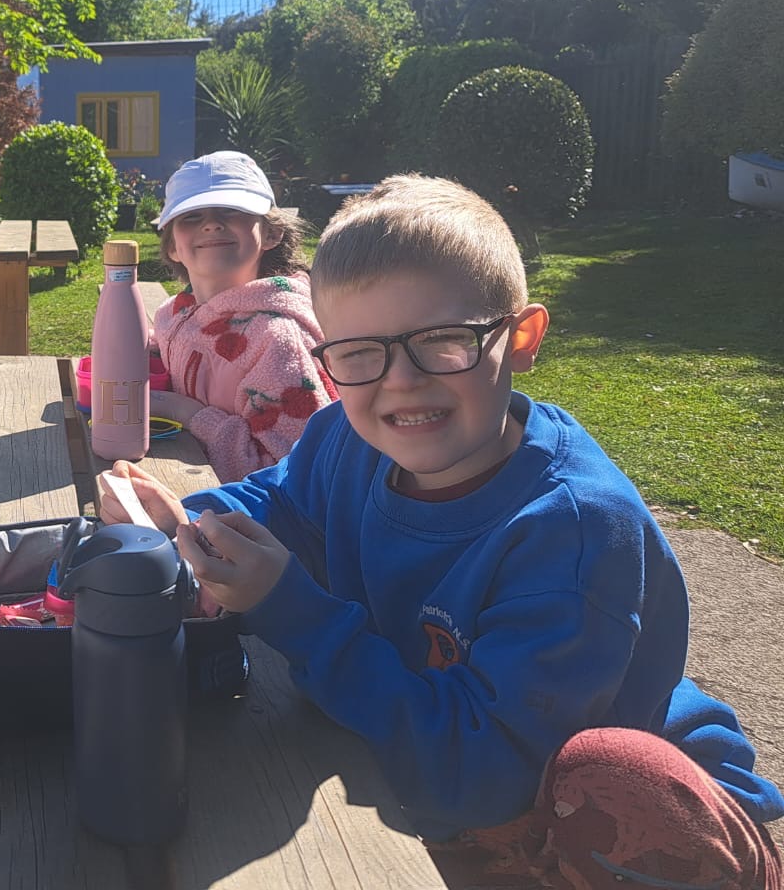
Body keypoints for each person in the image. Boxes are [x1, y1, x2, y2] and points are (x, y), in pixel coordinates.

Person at [102, 175, 783, 886]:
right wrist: (188, 521)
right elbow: (281, 503)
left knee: (612, 778)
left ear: (522, 338)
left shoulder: (573, 531)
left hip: (605, 817)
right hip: (458, 780)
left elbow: (482, 778)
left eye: (443, 341)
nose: (400, 381)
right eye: (358, 353)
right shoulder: (345, 438)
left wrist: (290, 610)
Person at [148, 151, 336, 481]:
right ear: (172, 247)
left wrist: (190, 415)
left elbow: (298, 475)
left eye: (231, 210)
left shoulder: (277, 340)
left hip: (237, 510)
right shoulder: (173, 314)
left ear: (271, 233)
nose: (211, 223)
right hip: (175, 481)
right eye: (191, 216)